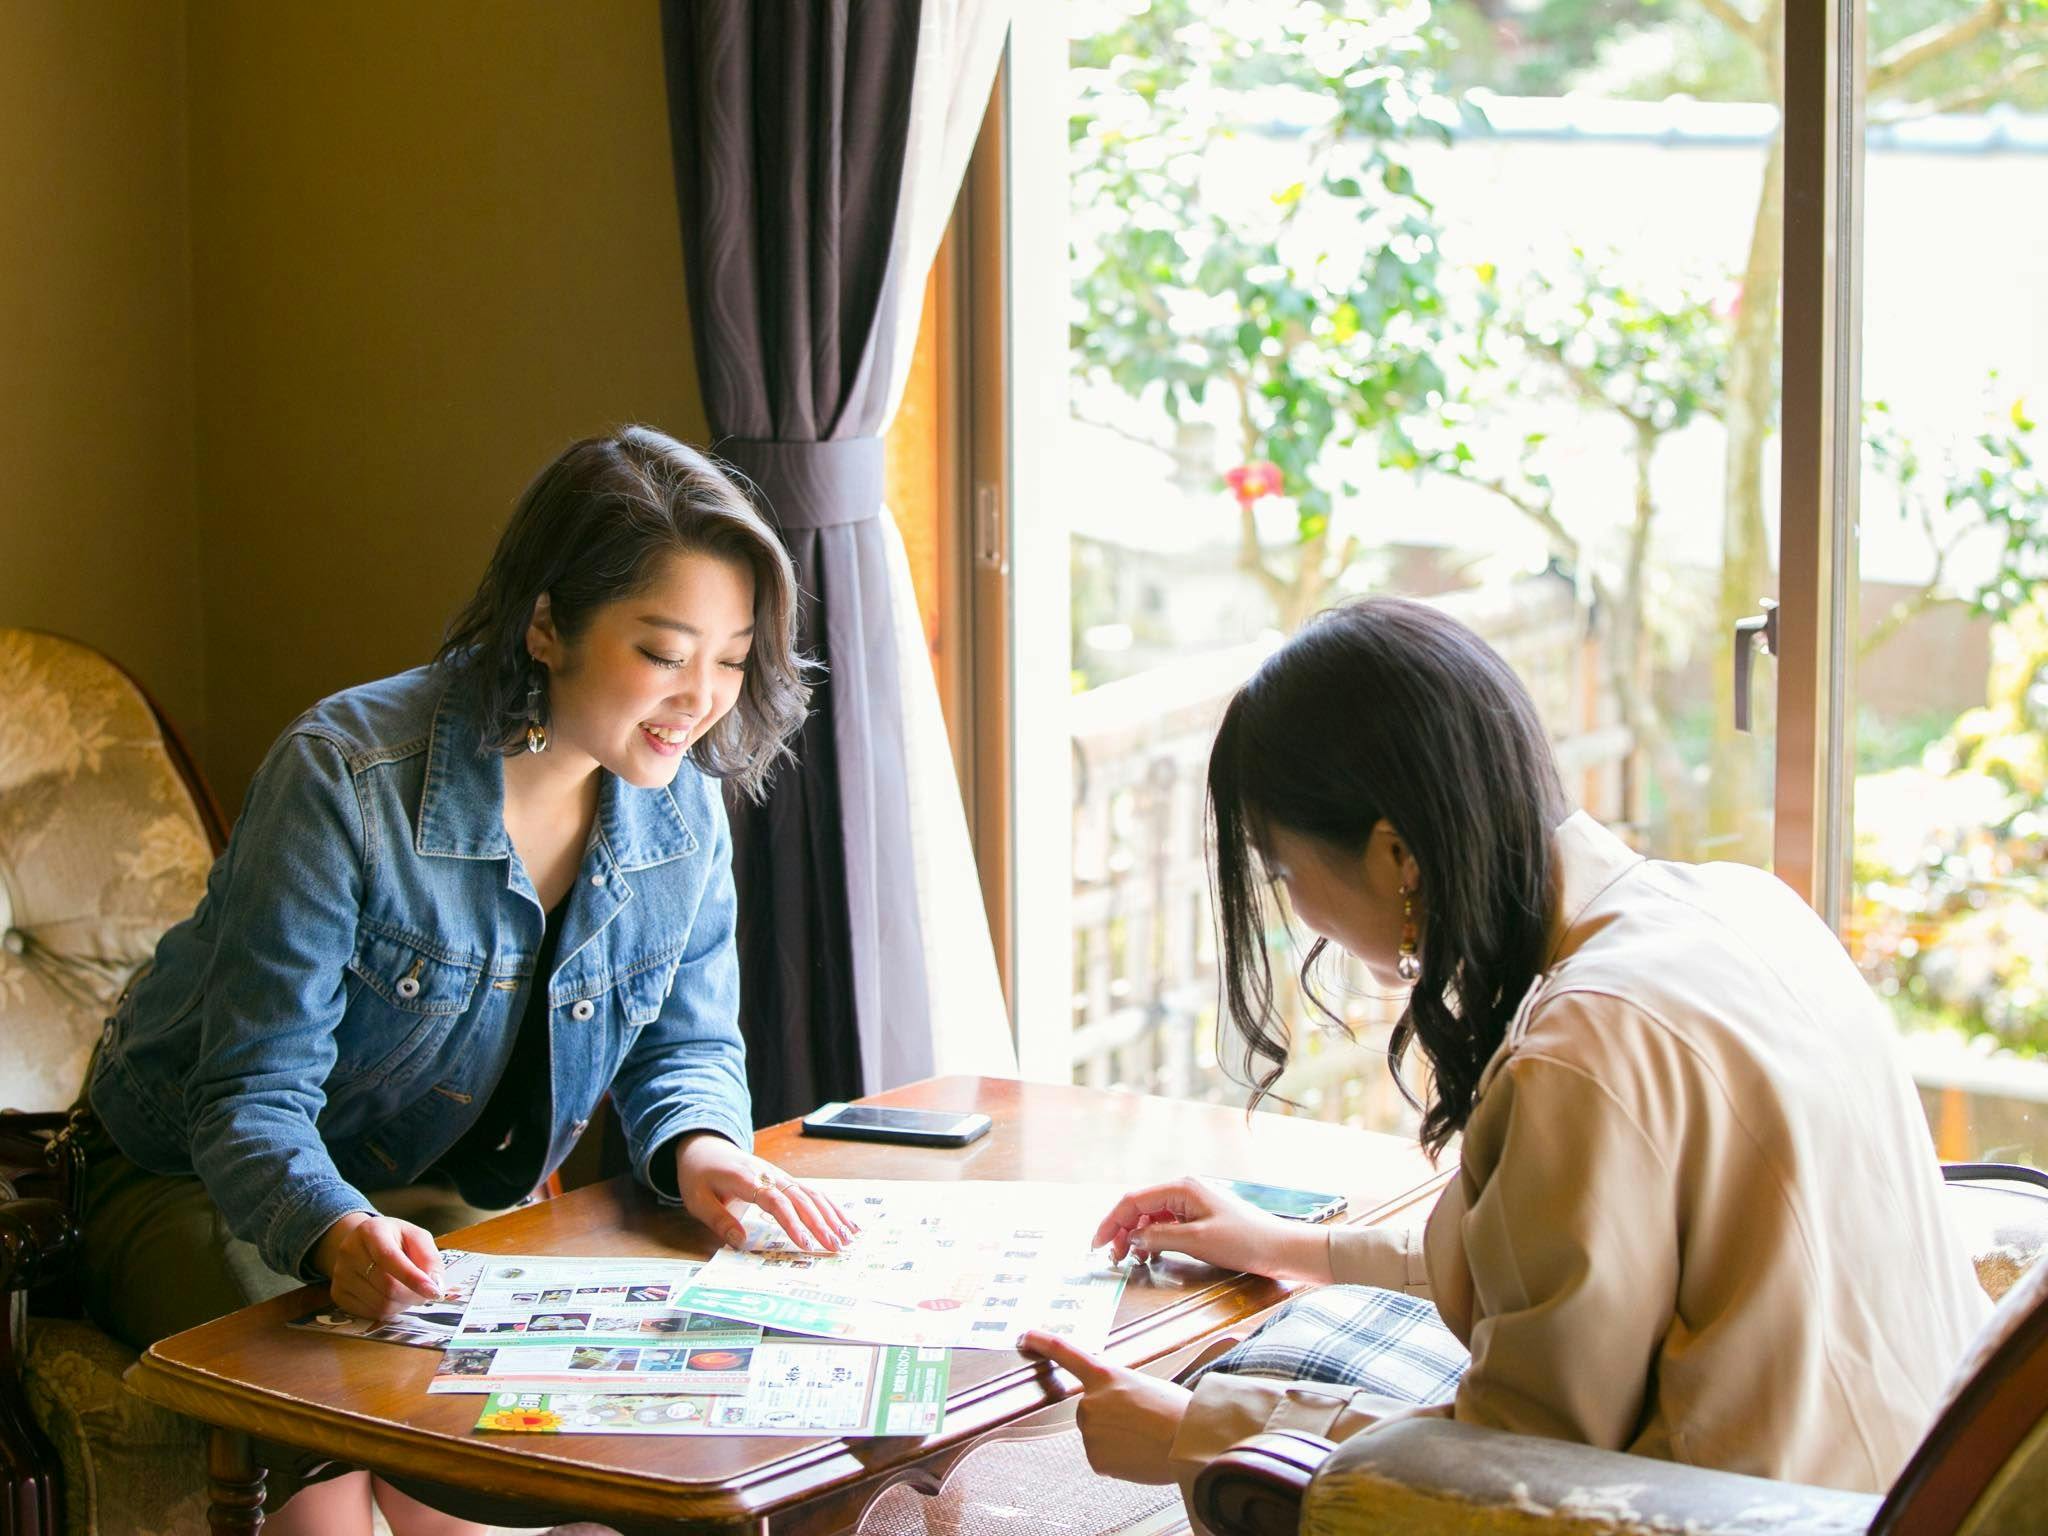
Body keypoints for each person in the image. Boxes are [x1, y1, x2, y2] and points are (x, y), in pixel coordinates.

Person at [1021, 595, 1986, 1515]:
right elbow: (1554, 1266)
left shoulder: (1582, 1046)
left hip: (1755, 1516)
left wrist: (1200, 1432)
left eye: (1286, 871)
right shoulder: (1743, 905)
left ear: (1397, 855)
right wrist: (1292, 1247)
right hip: (1917, 1488)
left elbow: (1515, 1463)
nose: (1296, 908)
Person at [75, 427, 854, 1536]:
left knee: (545, 1464)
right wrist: (335, 1232)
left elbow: (683, 1047)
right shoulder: (345, 776)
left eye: (730, 659)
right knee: (330, 1452)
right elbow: (247, 1101)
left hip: (436, 1187)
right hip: (198, 1182)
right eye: (664, 651)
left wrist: (704, 1149)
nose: (701, 698)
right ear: (546, 624)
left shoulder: (677, 804)